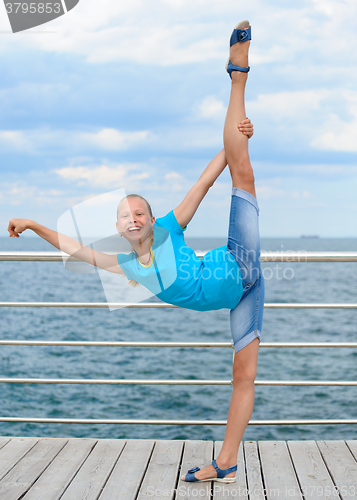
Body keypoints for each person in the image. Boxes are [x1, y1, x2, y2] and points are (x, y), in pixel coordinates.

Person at [8, 19, 264, 484]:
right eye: (126, 215)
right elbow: (73, 247)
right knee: (241, 377)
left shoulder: (169, 228)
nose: (134, 218)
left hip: (238, 257)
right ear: (120, 229)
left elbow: (205, 183)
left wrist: (234, 141)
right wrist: (31, 222)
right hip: (244, 295)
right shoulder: (127, 266)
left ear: (150, 217)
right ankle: (225, 465)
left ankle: (237, 74)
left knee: (240, 174)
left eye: (140, 211)